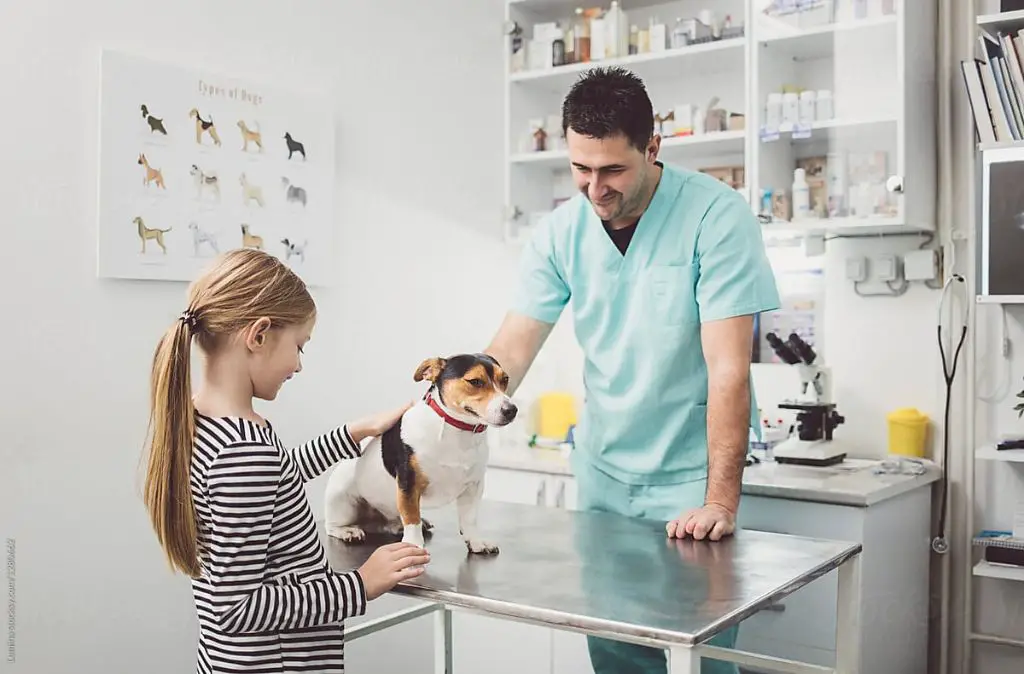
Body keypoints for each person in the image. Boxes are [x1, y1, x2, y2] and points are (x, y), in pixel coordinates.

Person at [485, 67, 780, 674]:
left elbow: (728, 370)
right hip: (603, 473)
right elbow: (509, 354)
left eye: (613, 170)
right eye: (580, 169)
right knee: (615, 650)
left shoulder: (716, 217)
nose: (594, 188)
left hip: (689, 477)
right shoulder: (560, 233)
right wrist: (439, 417)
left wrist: (720, 500)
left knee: (699, 657)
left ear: (652, 148)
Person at [141, 248, 429, 674]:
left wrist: (351, 433)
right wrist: (360, 584)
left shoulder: (204, 420)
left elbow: (275, 479)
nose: (298, 364)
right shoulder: (244, 450)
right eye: (299, 345)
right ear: (258, 335)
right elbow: (235, 608)